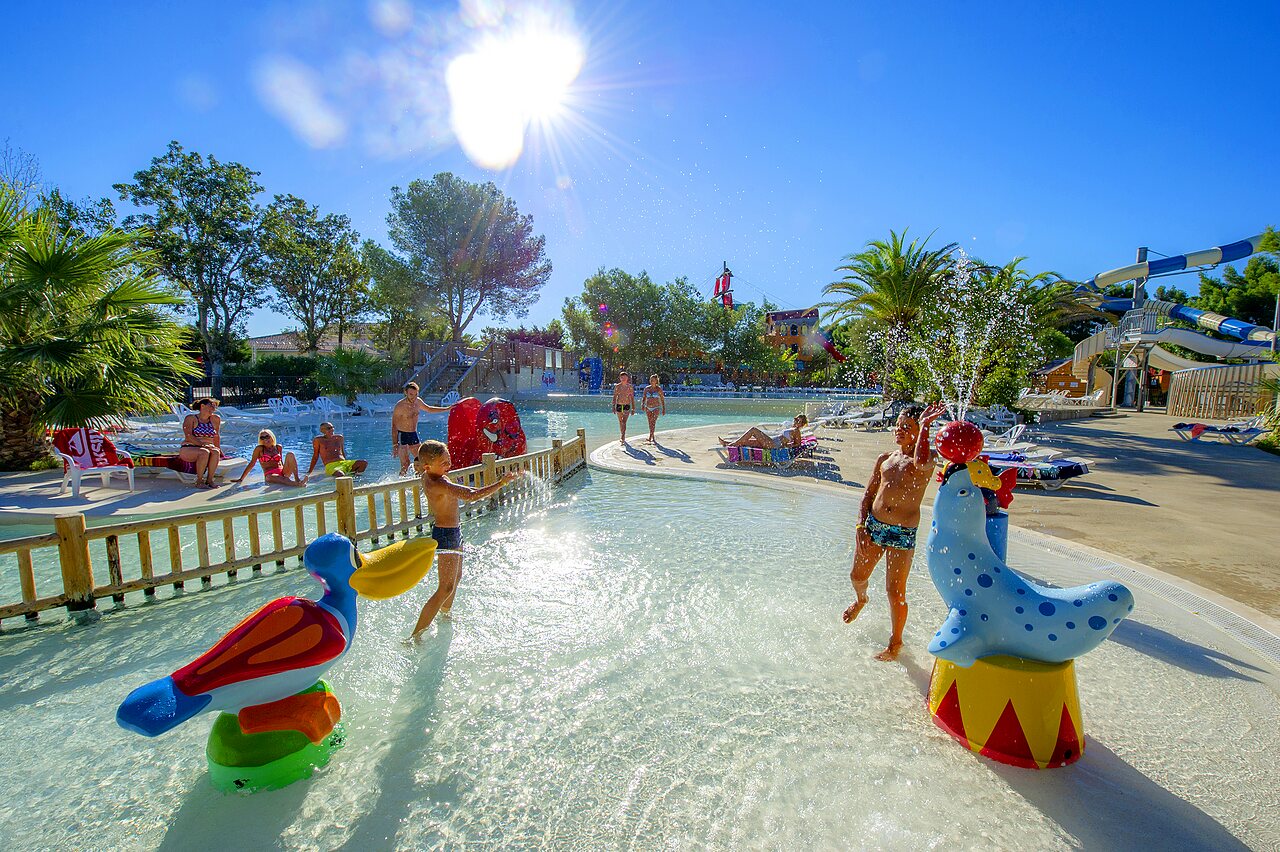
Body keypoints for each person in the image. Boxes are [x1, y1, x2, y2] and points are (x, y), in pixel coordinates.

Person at [842, 402, 946, 661]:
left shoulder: (927, 458)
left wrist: (925, 426)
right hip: (874, 527)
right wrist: (860, 527)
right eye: (898, 426)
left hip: (902, 534)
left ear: (919, 429)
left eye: (906, 427)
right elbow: (867, 497)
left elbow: (921, 462)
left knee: (895, 591)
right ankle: (861, 600)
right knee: (857, 576)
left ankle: (895, 643)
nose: (899, 430)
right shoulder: (885, 459)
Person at [410, 440, 521, 639]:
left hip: (453, 531)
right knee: (445, 587)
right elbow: (471, 495)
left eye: (449, 459)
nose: (449, 465)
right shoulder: (439, 482)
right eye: (444, 463)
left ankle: (445, 615)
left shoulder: (429, 475)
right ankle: (415, 635)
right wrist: (501, 483)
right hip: (447, 535)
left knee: (456, 578)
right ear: (427, 466)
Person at [392, 381, 454, 477]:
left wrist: (446, 409)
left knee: (422, 462)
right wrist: (395, 444)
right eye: (411, 394)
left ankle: (420, 483)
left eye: (416, 394)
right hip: (402, 435)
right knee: (405, 464)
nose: (414, 397)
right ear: (406, 393)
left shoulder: (418, 402)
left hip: (413, 434)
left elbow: (429, 409)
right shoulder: (399, 406)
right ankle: (401, 486)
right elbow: (394, 426)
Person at [234, 429, 307, 487]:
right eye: (262, 438)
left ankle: (297, 479)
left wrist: (286, 470)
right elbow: (252, 464)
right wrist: (241, 479)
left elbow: (280, 462)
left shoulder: (278, 447)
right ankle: (298, 485)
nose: (265, 439)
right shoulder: (259, 449)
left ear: (272, 437)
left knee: (290, 454)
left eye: (267, 436)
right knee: (283, 479)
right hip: (269, 475)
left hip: (282, 471)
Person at [178, 398, 222, 488]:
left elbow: (216, 436)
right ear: (202, 406)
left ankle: (210, 480)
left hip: (208, 447)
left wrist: (219, 449)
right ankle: (199, 481)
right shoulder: (191, 418)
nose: (214, 409)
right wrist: (203, 445)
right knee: (204, 452)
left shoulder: (215, 419)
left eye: (215, 407)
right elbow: (189, 436)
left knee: (215, 452)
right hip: (189, 447)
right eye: (211, 406)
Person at [718, 414, 808, 450]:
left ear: (802, 424)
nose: (796, 421)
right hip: (772, 441)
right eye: (795, 419)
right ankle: (727, 443)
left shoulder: (797, 431)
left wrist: (785, 445)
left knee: (753, 430)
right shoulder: (793, 429)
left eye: (798, 421)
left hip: (773, 444)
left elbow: (798, 444)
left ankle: (730, 445)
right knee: (749, 441)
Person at [640, 374, 666, 443]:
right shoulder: (647, 388)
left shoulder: (659, 389)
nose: (652, 381)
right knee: (649, 422)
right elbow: (644, 397)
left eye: (653, 380)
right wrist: (642, 404)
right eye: (651, 380)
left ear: (656, 381)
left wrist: (663, 409)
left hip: (656, 407)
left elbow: (662, 399)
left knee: (653, 422)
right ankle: (652, 436)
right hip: (648, 407)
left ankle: (650, 437)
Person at [612, 371, 635, 444]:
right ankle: (622, 435)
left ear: (627, 378)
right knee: (620, 421)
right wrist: (613, 406)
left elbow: (632, 398)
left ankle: (623, 436)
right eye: (622, 377)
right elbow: (615, 396)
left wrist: (633, 408)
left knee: (624, 421)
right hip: (619, 405)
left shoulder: (630, 387)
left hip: (626, 405)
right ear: (620, 378)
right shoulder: (617, 386)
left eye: (624, 377)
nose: (623, 379)